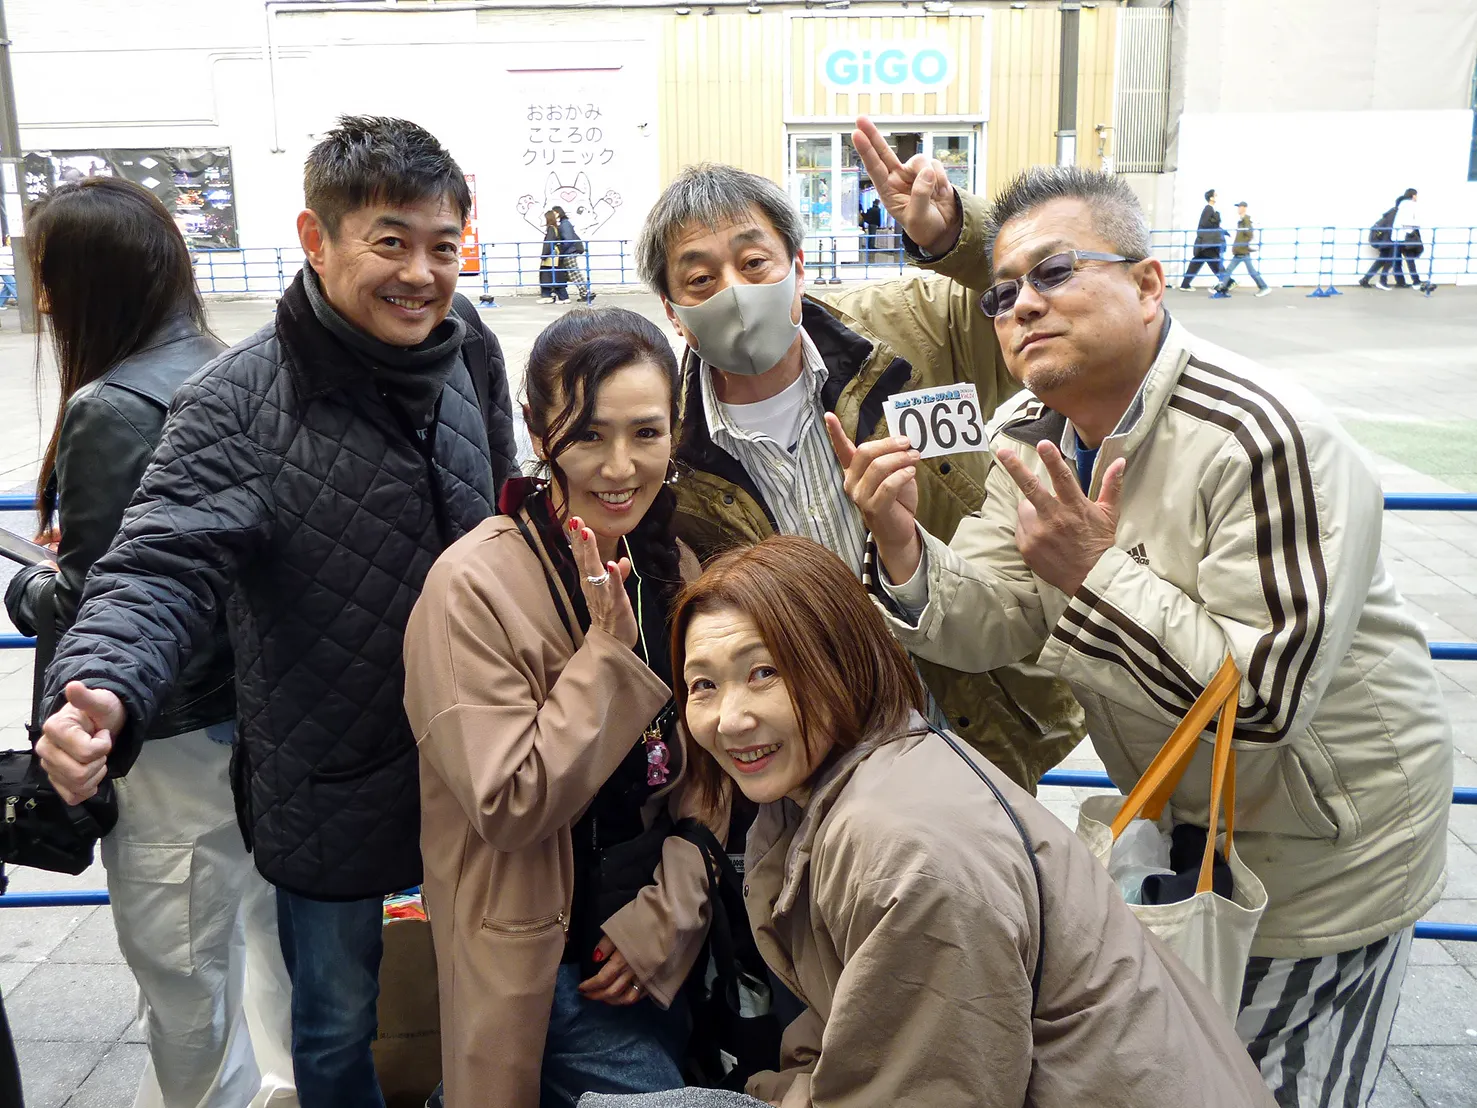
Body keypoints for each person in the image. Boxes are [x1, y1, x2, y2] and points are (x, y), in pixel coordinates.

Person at [828, 162, 1452, 1107]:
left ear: (1149, 283)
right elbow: (993, 614)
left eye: (1054, 272)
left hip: (1324, 854)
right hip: (1186, 834)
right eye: (1001, 292)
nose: (1021, 305)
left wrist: (1090, 572)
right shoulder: (1029, 428)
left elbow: (1265, 703)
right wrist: (902, 546)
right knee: (1190, 1074)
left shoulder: (1261, 435)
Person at [32, 116, 519, 1108]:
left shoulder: (469, 345)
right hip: (327, 770)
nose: (421, 275)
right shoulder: (235, 401)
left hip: (479, 760)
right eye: (390, 242)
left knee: (492, 989)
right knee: (331, 1019)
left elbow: (505, 506)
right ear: (315, 238)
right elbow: (156, 563)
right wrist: (101, 687)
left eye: (442, 246)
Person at [670, 535, 1276, 1108]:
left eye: (764, 673)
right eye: (703, 685)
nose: (730, 719)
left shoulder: (902, 849)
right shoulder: (866, 775)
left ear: (844, 661)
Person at [633, 143, 1084, 794]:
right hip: (817, 755)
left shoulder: (913, 328)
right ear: (674, 314)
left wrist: (954, 236)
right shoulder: (674, 459)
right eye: (700, 279)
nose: (733, 292)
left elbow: (1037, 286)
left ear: (798, 270)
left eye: (754, 263)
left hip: (974, 716)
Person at [3, 177, 296, 1108]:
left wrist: (28, 587)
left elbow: (104, 600)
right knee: (268, 944)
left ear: (86, 280)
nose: (42, 298)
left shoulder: (112, 405)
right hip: (260, 721)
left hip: (163, 734)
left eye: (46, 274)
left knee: (183, 968)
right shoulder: (236, 366)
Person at [404, 307, 723, 1107]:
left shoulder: (671, 561)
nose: (620, 467)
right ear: (538, 431)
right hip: (545, 966)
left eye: (646, 434)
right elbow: (509, 803)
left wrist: (669, 916)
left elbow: (708, 771)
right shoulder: (473, 586)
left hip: (656, 944)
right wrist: (607, 655)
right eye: (588, 435)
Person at [1211, 201, 1270, 298]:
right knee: (1229, 270)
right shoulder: (1241, 221)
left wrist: (1242, 244)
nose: (1238, 209)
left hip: (1243, 251)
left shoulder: (1246, 220)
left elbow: (1249, 234)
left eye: (1239, 207)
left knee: (1251, 271)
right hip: (1239, 251)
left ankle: (1264, 287)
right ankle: (1221, 288)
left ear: (1244, 208)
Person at [1358, 189, 1413, 290]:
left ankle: (1366, 279)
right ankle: (1383, 281)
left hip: (1387, 241)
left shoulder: (1393, 212)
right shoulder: (1397, 214)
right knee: (1391, 261)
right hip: (1391, 241)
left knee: (1385, 261)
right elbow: (1393, 229)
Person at [1179, 188, 1224, 289]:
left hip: (1205, 244)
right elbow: (1205, 224)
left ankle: (1185, 285)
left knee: (1197, 264)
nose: (1217, 196)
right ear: (1211, 198)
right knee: (1215, 262)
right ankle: (1228, 282)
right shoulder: (1208, 209)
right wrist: (1217, 218)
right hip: (1206, 243)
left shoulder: (1210, 209)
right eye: (1215, 195)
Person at [556, 205, 596, 304]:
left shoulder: (564, 224)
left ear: (558, 213)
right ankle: (585, 292)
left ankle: (585, 292)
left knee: (574, 273)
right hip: (571, 250)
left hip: (569, 251)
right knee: (572, 273)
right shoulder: (565, 223)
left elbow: (568, 239)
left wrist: (561, 250)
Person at [1392, 188, 1428, 291]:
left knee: (1397, 261)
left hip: (1396, 237)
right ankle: (1416, 281)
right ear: (1413, 195)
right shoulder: (1410, 205)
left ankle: (1400, 282)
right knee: (1410, 260)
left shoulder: (1400, 205)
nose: (1417, 197)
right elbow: (1409, 221)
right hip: (1406, 237)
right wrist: (1417, 225)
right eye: (1416, 195)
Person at [541, 209, 569, 303]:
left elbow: (548, 243)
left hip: (551, 257)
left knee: (547, 276)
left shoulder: (551, 229)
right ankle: (561, 297)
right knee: (556, 277)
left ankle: (548, 296)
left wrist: (543, 255)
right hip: (556, 256)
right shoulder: (555, 228)